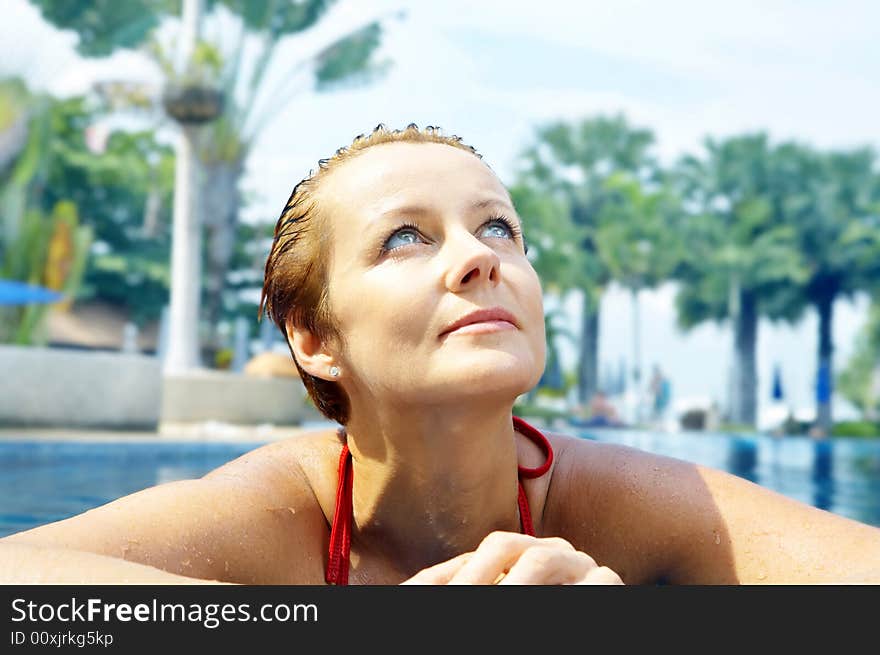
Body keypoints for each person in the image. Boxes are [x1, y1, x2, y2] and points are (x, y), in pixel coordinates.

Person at [3, 124, 880, 585]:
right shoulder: (280, 519)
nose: (479, 255)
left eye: (497, 224)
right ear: (314, 340)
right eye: (405, 239)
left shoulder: (625, 502)